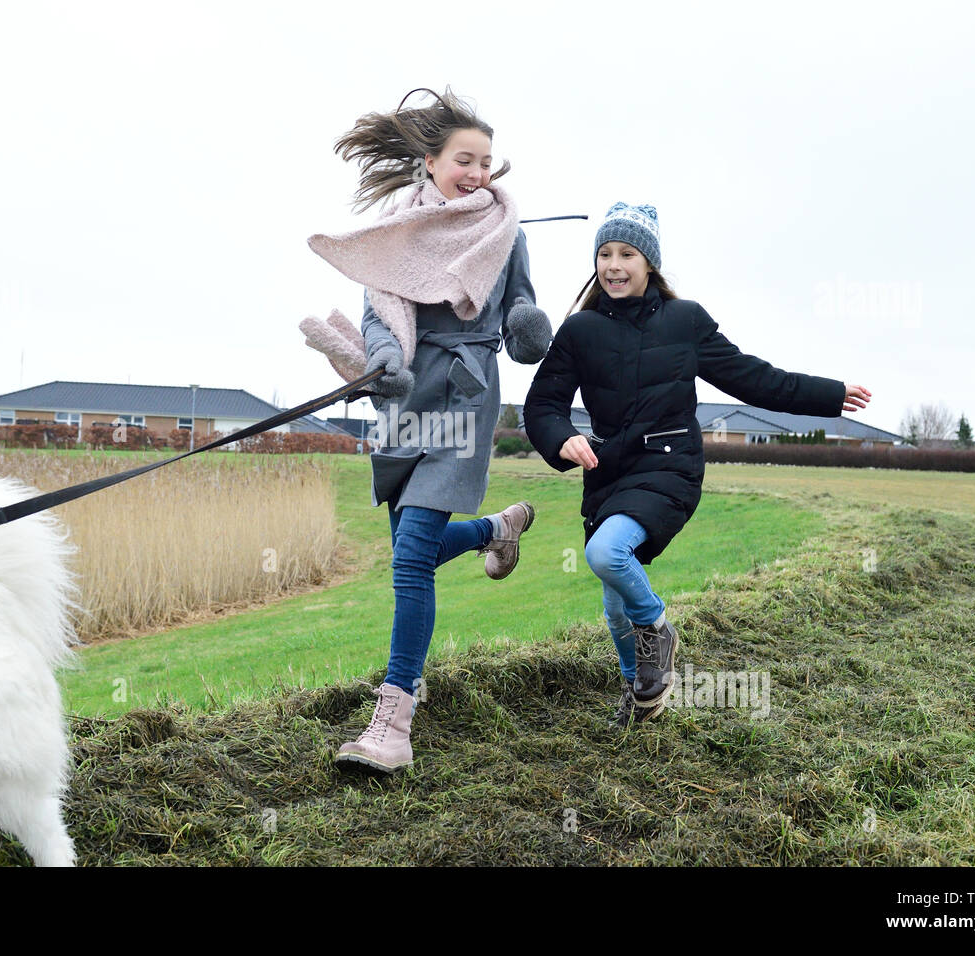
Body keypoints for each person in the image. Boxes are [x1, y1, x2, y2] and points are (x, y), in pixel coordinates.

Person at [523, 201, 872, 727]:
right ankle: (642, 696)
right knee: (615, 604)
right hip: (609, 472)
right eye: (604, 253)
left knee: (605, 553)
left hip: (670, 466)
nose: (613, 265)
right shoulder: (579, 332)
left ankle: (659, 628)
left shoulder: (685, 322)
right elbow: (542, 405)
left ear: (650, 264)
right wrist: (563, 439)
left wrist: (830, 394)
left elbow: (755, 378)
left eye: (627, 253)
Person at [298, 87, 554, 773]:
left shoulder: (508, 232)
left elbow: (523, 302)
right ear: (431, 162)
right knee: (420, 548)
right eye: (464, 160)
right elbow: (381, 313)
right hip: (405, 401)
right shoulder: (399, 232)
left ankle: (394, 720)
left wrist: (529, 328)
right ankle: (495, 531)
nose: (476, 174)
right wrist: (382, 361)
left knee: (411, 559)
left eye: (486, 163)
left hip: (466, 397)